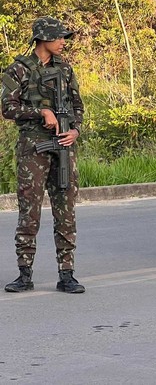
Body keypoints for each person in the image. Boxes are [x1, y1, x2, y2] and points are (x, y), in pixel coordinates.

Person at [1, 17, 85, 293]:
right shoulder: (19, 70)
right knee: (29, 212)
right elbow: (8, 108)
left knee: (66, 211)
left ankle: (67, 273)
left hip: (63, 146)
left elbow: (77, 106)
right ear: (43, 38)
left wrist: (75, 130)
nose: (63, 42)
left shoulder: (66, 70)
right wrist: (40, 113)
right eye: (59, 37)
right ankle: (25, 273)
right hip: (33, 148)